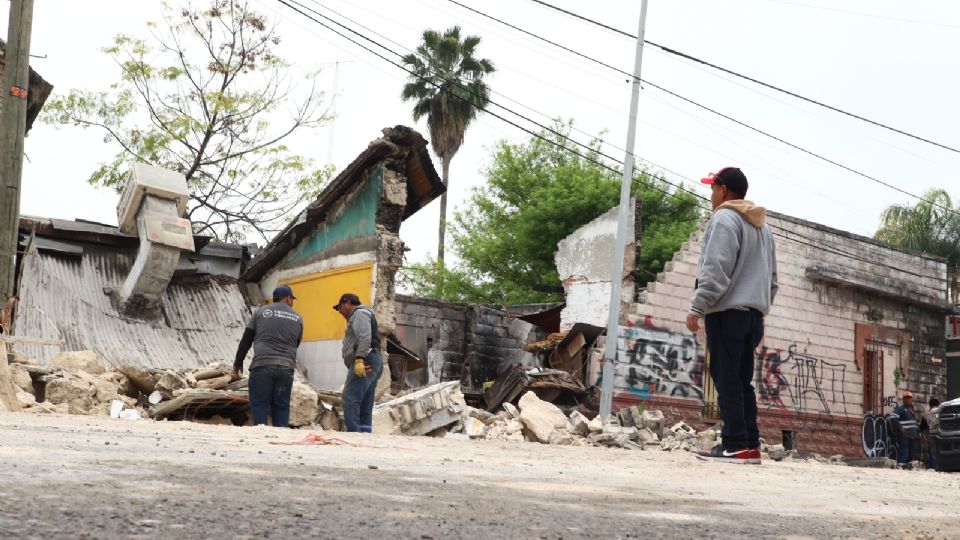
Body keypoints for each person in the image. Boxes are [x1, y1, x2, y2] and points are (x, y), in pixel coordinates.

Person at [686, 167, 778, 465]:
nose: (711, 195)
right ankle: (750, 445)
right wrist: (759, 307)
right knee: (742, 382)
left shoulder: (724, 218)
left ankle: (735, 444)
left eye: (713, 188)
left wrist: (697, 308)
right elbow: (772, 280)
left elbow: (715, 270)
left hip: (726, 314)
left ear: (723, 190)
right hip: (753, 317)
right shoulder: (763, 228)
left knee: (726, 381)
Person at [233, 285, 303, 428]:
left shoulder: (260, 313)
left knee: (260, 403)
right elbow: (296, 343)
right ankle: (281, 435)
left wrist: (238, 362)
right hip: (286, 367)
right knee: (282, 405)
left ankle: (261, 436)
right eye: (292, 299)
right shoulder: (298, 318)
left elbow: (246, 339)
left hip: (262, 365)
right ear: (288, 299)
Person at [335, 293, 384, 433]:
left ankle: (354, 431)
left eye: (340, 308)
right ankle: (364, 432)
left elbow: (364, 337)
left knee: (350, 398)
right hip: (372, 357)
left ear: (347, 303)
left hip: (365, 359)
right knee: (366, 401)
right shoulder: (363, 314)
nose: (340, 312)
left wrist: (359, 359)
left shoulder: (359, 314)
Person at [892, 391, 920, 465]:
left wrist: (917, 432)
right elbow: (893, 418)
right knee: (904, 453)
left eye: (909, 398)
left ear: (911, 399)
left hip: (912, 435)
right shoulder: (901, 408)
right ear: (903, 400)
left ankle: (909, 468)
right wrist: (901, 429)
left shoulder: (911, 409)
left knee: (911, 454)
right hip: (904, 435)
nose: (908, 400)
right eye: (906, 398)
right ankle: (901, 467)